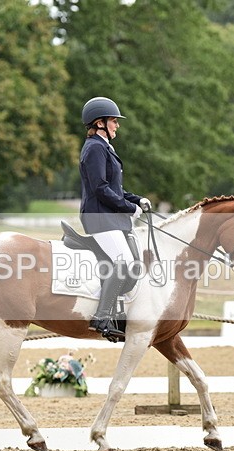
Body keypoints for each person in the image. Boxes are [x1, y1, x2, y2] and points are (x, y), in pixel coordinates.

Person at [79, 96, 151, 339]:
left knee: (130, 261)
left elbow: (115, 189)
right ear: (99, 123)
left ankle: (118, 315)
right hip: (100, 218)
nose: (117, 125)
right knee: (123, 262)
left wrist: (136, 200)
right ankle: (101, 317)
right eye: (113, 121)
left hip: (108, 217)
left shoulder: (103, 147)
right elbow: (100, 188)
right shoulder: (95, 148)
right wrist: (128, 208)